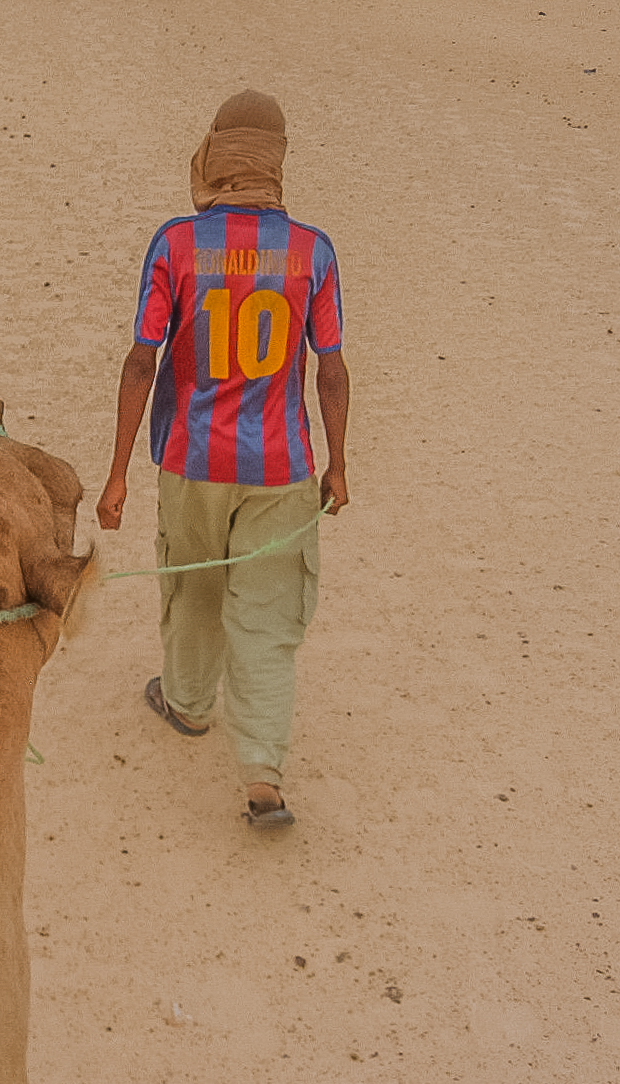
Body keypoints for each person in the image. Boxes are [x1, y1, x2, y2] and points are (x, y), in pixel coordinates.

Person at [96, 89, 351, 828]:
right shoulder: (313, 250)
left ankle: (186, 704)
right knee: (267, 619)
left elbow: (141, 359)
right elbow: (329, 368)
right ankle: (263, 775)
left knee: (192, 591)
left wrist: (117, 473)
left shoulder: (176, 243)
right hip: (283, 467)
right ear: (275, 165)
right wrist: (337, 463)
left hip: (192, 460)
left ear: (213, 156)